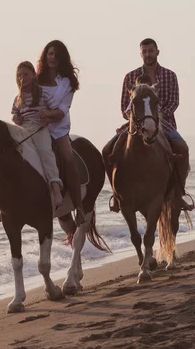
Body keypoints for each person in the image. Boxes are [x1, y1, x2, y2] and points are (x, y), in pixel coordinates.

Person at [101, 38, 193, 212]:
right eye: (145, 51)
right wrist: (139, 119)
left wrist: (154, 117)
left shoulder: (169, 75)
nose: (148, 54)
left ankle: (178, 193)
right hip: (136, 126)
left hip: (164, 124)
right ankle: (116, 195)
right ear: (140, 53)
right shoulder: (130, 77)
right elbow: (124, 107)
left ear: (157, 52)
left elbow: (174, 102)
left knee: (183, 148)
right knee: (106, 150)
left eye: (151, 51)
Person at [0, 61, 64, 208]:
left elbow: (57, 112)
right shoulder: (18, 98)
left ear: (33, 75)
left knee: (45, 152)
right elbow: (15, 115)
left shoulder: (43, 94)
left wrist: (47, 116)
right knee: (3, 151)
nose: (22, 78)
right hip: (23, 129)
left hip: (39, 128)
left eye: (25, 75)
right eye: (19, 76)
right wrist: (16, 119)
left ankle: (56, 189)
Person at [36, 40, 86, 225]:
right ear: (45, 55)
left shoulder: (67, 83)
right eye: (50, 53)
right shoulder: (35, 79)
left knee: (68, 157)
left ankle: (79, 207)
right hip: (34, 128)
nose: (53, 58)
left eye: (56, 55)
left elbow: (63, 110)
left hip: (58, 129)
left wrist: (48, 115)